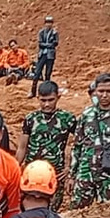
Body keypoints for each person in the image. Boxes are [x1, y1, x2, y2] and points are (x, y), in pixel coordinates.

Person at [69, 73, 110, 207]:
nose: (104, 95)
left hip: (109, 175)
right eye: (101, 91)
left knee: (107, 211)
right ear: (95, 91)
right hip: (85, 172)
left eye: (108, 91)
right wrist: (72, 175)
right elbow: (77, 146)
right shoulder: (87, 115)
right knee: (77, 210)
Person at [16, 80, 77, 210]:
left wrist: (70, 168)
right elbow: (22, 147)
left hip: (56, 173)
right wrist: (15, 169)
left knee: (52, 209)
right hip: (31, 173)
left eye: (51, 100)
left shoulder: (67, 119)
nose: (47, 104)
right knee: (29, 207)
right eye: (43, 100)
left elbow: (79, 144)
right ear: (38, 98)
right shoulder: (31, 119)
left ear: (58, 97)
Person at [30, 15, 60, 98]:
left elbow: (55, 43)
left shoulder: (54, 33)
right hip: (42, 54)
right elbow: (40, 44)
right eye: (47, 22)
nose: (48, 24)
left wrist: (46, 45)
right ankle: (33, 92)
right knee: (37, 73)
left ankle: (46, 92)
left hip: (50, 55)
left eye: (50, 23)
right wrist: (48, 45)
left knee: (48, 74)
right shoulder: (41, 32)